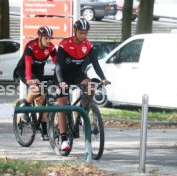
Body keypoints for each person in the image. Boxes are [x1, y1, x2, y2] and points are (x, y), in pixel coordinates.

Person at [55, 19, 110, 151]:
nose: (83, 36)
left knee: (91, 85)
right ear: (75, 31)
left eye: (86, 33)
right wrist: (61, 81)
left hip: (77, 74)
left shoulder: (88, 46)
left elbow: (96, 64)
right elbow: (58, 66)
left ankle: (82, 112)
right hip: (62, 75)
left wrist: (103, 78)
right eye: (81, 33)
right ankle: (63, 139)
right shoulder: (64, 44)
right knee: (63, 105)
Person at [15, 26, 57, 140]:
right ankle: (25, 110)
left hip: (38, 73)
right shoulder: (31, 46)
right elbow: (28, 65)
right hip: (24, 70)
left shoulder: (51, 48)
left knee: (42, 99)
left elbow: (58, 64)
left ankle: (44, 130)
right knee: (35, 89)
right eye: (46, 38)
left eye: (50, 38)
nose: (48, 41)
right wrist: (29, 79)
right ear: (39, 37)